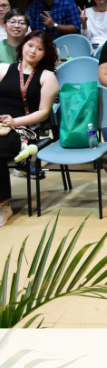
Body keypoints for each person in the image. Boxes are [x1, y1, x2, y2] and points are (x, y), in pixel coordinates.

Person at [0, 31, 59, 227]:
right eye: (30, 45)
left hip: (24, 130)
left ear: (45, 54)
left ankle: (3, 204)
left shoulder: (47, 76)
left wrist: (15, 121)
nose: (33, 51)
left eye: (40, 48)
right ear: (22, 46)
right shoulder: (4, 69)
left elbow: (43, 112)